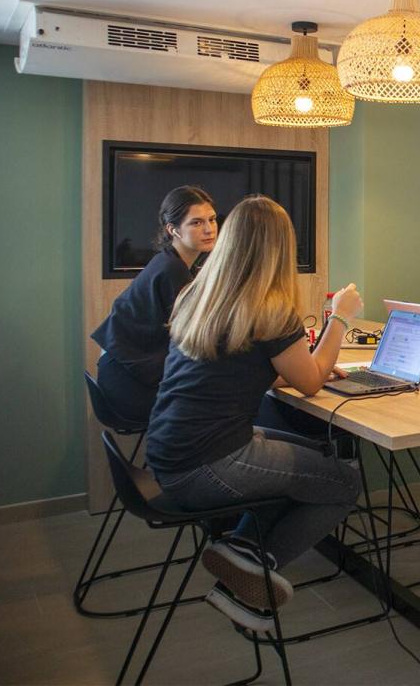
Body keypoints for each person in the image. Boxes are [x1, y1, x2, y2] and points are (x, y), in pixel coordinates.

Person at [145, 195, 363, 632]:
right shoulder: (271, 308)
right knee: (345, 481)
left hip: (168, 455)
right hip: (210, 465)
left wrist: (298, 367)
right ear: (281, 248)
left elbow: (235, 367)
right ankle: (255, 562)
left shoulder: (199, 294)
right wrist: (340, 318)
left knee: (315, 454)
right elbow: (311, 383)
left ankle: (242, 553)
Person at [91, 186, 218, 425]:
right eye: (196, 223)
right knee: (220, 398)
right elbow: (194, 338)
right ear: (173, 229)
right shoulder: (172, 270)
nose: (209, 229)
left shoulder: (168, 261)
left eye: (211, 219)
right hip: (129, 386)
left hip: (117, 374)